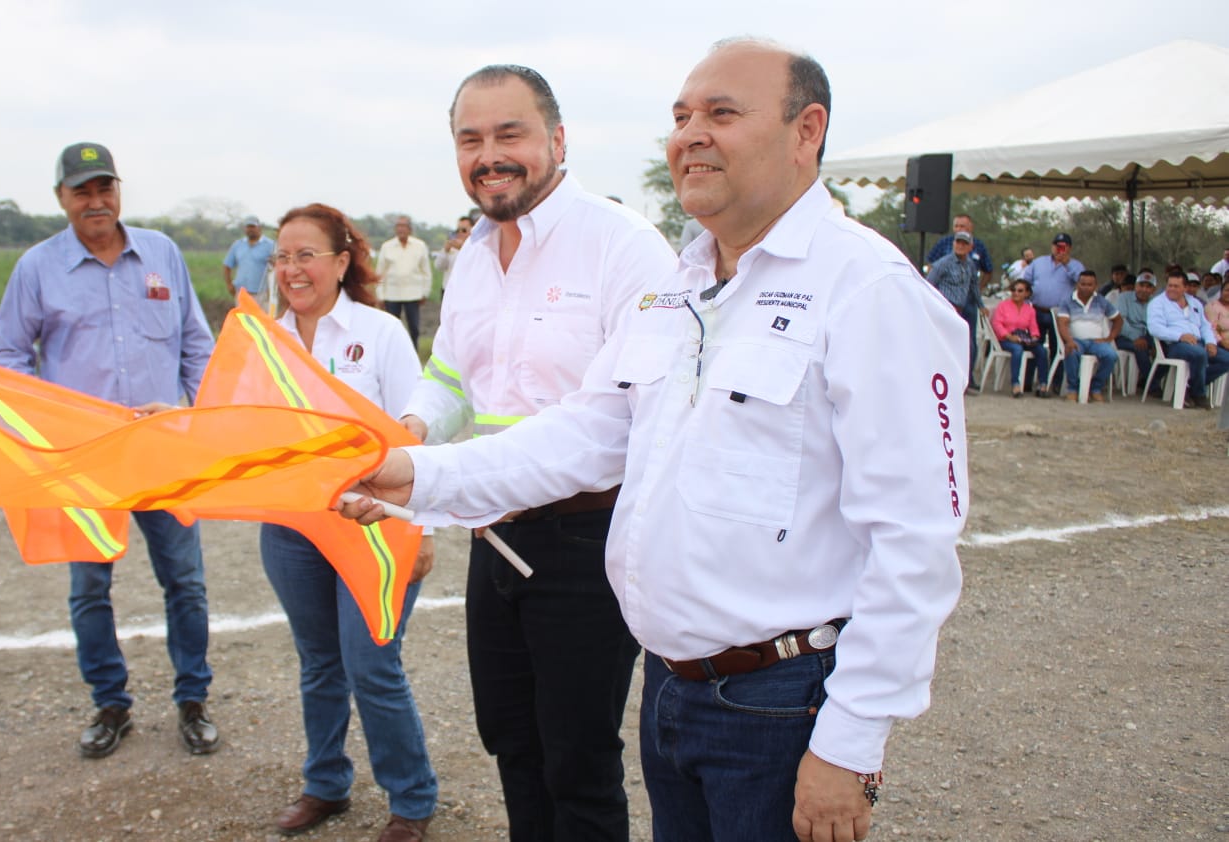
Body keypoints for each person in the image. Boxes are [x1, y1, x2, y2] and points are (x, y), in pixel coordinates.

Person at [345, 39, 966, 842]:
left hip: (783, 700)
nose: (691, 134)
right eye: (681, 116)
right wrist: (412, 473)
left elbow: (914, 538)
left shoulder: (868, 290)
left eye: (722, 113)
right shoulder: (683, 285)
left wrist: (851, 741)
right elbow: (589, 428)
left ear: (806, 130)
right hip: (674, 692)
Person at [399, 64, 677, 841]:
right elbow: (450, 374)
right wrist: (413, 429)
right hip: (493, 535)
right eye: (470, 139)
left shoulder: (623, 246)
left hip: (586, 540)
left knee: (578, 762)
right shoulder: (474, 254)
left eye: (509, 134)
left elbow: (613, 422)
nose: (489, 156)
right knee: (512, 744)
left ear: (557, 139)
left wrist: (424, 477)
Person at [0, 142, 219, 758]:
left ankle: (193, 700)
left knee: (186, 583)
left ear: (118, 190)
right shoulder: (38, 268)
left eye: (104, 188)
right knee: (90, 586)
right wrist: (53, 422)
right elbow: (6, 356)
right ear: (61, 198)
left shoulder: (161, 253)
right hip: (85, 461)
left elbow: (197, 344)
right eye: (82, 191)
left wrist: (195, 418)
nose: (96, 201)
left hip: (161, 453)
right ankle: (110, 703)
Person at [260, 204, 439, 842]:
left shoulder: (380, 332)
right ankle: (326, 783)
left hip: (375, 528)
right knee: (319, 662)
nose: (292, 269)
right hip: (293, 531)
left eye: (306, 255)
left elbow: (415, 436)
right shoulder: (267, 342)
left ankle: (411, 799)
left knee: (371, 665)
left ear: (341, 262)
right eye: (283, 257)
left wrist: (423, 530)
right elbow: (237, 426)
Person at [1148, 268, 1229, 409]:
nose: (1171, 289)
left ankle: (1189, 386)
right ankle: (1199, 394)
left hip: (1198, 342)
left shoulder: (1194, 303)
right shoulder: (1158, 303)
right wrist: (1180, 336)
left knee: (1226, 359)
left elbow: (1205, 326)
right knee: (1199, 354)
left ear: (1185, 288)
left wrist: (1211, 342)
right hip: (1174, 344)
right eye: (1170, 285)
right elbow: (1154, 328)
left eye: (1176, 286)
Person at [1024, 232, 1085, 396]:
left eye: (1063, 246)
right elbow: (1025, 282)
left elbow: (1082, 283)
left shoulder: (1076, 265)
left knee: (1057, 347)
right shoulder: (1038, 262)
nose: (1059, 249)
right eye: (1057, 246)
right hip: (1037, 310)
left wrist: (1067, 264)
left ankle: (1055, 383)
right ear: (1052, 246)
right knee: (1033, 345)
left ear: (1069, 248)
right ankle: (1028, 381)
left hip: (1059, 314)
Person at [925, 230, 986, 393]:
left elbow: (974, 286)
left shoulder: (970, 265)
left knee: (968, 346)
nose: (960, 246)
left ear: (970, 247)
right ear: (953, 243)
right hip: (945, 310)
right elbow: (928, 285)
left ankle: (964, 381)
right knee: (944, 346)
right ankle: (940, 381)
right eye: (958, 242)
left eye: (964, 243)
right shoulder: (943, 264)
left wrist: (981, 305)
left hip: (961, 309)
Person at [1055, 269, 1122, 402]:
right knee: (1071, 351)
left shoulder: (1101, 301)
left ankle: (1095, 388)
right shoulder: (1067, 301)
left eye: (1089, 285)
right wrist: (1068, 340)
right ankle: (1073, 388)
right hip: (1076, 340)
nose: (1085, 287)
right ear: (1077, 285)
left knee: (1111, 356)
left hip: (1096, 342)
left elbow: (1118, 320)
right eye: (1083, 284)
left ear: (1095, 286)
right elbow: (1062, 324)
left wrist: (1109, 338)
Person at [375, 215, 433, 345]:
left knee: (414, 328)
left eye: (403, 226)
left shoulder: (420, 246)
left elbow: (426, 272)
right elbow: (380, 273)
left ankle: (413, 352)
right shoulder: (387, 246)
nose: (400, 229)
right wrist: (380, 295)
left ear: (410, 229)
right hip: (392, 294)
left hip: (413, 294)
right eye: (398, 226)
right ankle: (392, 352)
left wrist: (425, 292)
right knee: (391, 328)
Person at [990, 278, 1042, 397]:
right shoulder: (1003, 306)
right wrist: (1009, 336)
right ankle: (1015, 384)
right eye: (1013, 290)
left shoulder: (1030, 310)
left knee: (1041, 350)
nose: (1016, 293)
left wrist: (1034, 337)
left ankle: (1043, 384)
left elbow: (1033, 327)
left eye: (1020, 291)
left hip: (1022, 339)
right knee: (1017, 350)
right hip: (1005, 339)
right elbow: (997, 324)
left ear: (1027, 293)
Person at [1116, 271, 1159, 395]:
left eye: (1148, 286)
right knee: (1140, 348)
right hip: (1124, 336)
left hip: (1146, 336)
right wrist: (1135, 337)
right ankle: (1153, 386)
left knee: (1166, 350)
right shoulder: (1124, 298)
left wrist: (1153, 343)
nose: (1144, 289)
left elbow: (1155, 324)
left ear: (1154, 290)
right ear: (1135, 286)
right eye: (1141, 285)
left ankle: (1146, 380)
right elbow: (1121, 321)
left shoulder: (1156, 302)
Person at [926, 214, 993, 289]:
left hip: (968, 290)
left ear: (971, 227)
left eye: (962, 226)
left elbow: (988, 270)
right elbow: (930, 265)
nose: (958, 229)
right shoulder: (944, 243)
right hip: (945, 291)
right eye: (956, 226)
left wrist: (979, 288)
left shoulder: (979, 246)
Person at [223, 215, 276, 309]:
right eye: (248, 227)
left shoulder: (270, 245)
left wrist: (271, 290)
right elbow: (227, 265)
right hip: (241, 293)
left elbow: (276, 267)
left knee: (260, 318)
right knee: (242, 318)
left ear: (259, 228)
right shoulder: (238, 245)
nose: (250, 229)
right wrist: (229, 285)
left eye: (253, 226)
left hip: (262, 294)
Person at [432, 214, 473, 285]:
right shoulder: (451, 246)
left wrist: (462, 248)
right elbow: (439, 266)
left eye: (464, 230)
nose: (460, 233)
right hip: (448, 288)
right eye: (457, 230)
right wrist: (445, 251)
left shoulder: (476, 247)